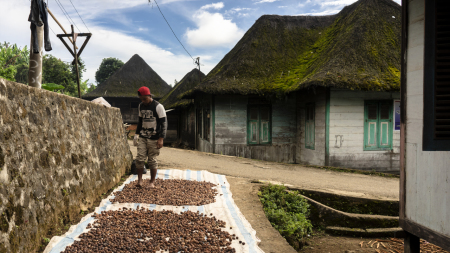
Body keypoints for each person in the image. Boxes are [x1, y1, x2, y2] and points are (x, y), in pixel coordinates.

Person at [134, 86, 167, 188]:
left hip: (154, 137)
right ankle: (140, 181)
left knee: (152, 160)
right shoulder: (141, 106)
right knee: (139, 159)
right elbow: (140, 121)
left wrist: (161, 138)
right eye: (141, 99)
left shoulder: (158, 106)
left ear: (150, 95)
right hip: (143, 136)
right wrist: (136, 134)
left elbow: (164, 123)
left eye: (145, 99)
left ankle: (152, 182)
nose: (143, 101)